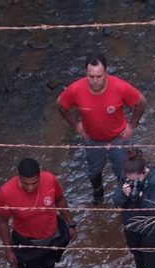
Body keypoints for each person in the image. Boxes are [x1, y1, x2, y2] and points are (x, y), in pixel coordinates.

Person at [57, 54, 147, 205]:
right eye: (90, 76)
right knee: (94, 171)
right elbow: (60, 104)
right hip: (92, 140)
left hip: (118, 138)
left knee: (123, 170)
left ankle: (124, 196)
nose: (94, 81)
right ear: (86, 74)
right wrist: (76, 125)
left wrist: (131, 125)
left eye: (99, 76)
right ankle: (98, 195)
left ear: (106, 73)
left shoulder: (120, 87)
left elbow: (141, 102)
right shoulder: (76, 89)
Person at [0, 158, 77, 268]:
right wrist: (8, 250)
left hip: (52, 237)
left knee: (50, 265)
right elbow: (3, 223)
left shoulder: (50, 180)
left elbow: (60, 200)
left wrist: (70, 224)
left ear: (40, 176)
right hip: (28, 243)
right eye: (25, 183)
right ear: (18, 177)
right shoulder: (6, 193)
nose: (30, 187)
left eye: (34, 183)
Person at [112, 148, 155, 268]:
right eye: (129, 179)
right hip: (131, 222)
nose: (132, 181)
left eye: (136, 179)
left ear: (144, 172)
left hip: (150, 225)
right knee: (134, 250)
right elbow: (116, 202)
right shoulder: (125, 175)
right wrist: (124, 192)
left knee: (153, 262)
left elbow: (154, 210)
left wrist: (140, 196)